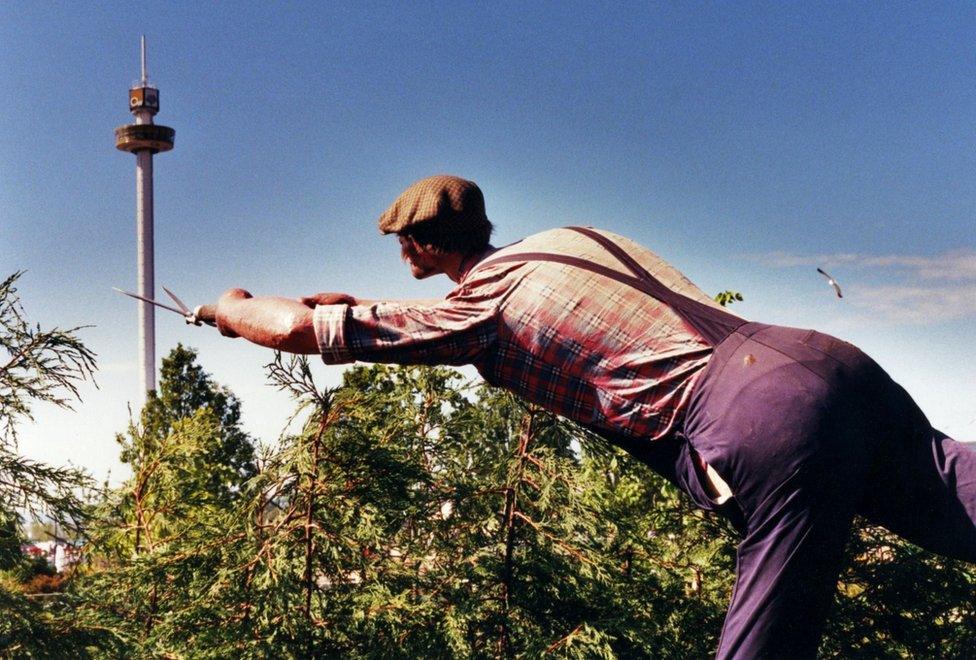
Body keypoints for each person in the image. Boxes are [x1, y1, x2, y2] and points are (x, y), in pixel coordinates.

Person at [214, 174, 976, 658]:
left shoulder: (481, 307)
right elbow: (539, 309)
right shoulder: (566, 239)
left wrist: (232, 308)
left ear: (415, 244)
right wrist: (368, 306)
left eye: (399, 241)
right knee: (950, 489)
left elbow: (293, 331)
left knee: (773, 624)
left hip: (754, 416)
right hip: (818, 357)